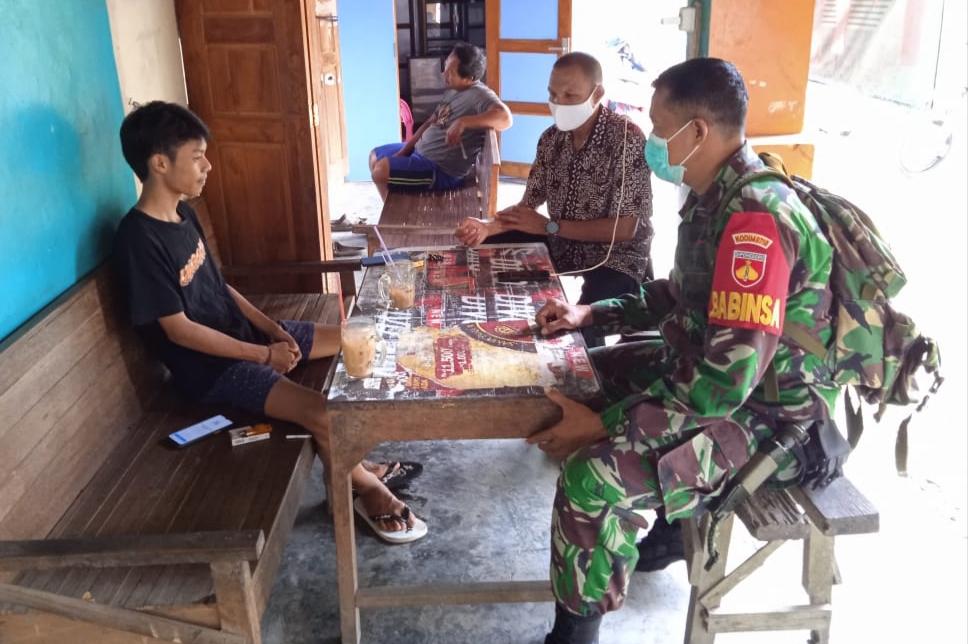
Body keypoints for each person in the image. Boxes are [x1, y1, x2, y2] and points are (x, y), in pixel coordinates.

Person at [527, 58, 838, 644]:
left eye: (658, 126)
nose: (652, 140)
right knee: (584, 369)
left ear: (696, 131)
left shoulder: (755, 222)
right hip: (715, 375)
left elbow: (721, 387)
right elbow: (677, 295)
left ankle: (574, 635)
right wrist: (591, 314)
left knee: (591, 476)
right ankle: (671, 527)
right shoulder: (714, 196)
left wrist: (604, 427)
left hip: (773, 419)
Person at [114, 101, 427, 544]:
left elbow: (219, 286)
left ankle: (354, 467)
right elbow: (178, 330)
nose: (207, 166)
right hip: (213, 370)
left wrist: (273, 330)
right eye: (197, 156)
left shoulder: (184, 214)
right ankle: (364, 488)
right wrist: (264, 355)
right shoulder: (138, 240)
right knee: (325, 414)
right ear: (159, 163)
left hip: (245, 340)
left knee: (360, 338)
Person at [455, 52, 652, 347]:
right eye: (553, 94)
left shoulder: (627, 140)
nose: (559, 103)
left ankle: (585, 370)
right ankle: (476, 321)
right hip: (563, 242)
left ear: (597, 94)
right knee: (480, 247)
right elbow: (527, 207)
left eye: (570, 96)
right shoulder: (551, 139)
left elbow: (625, 229)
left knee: (575, 332)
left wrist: (550, 227)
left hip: (616, 258)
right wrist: (487, 226)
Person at [369, 42, 512, 200]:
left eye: (451, 72)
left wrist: (463, 122)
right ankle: (393, 208)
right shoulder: (454, 91)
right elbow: (428, 124)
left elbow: (505, 118)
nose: (444, 75)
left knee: (381, 172)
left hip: (440, 170)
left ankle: (395, 213)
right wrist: (403, 152)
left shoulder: (480, 95)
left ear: (469, 78)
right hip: (419, 152)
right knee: (374, 157)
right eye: (445, 67)